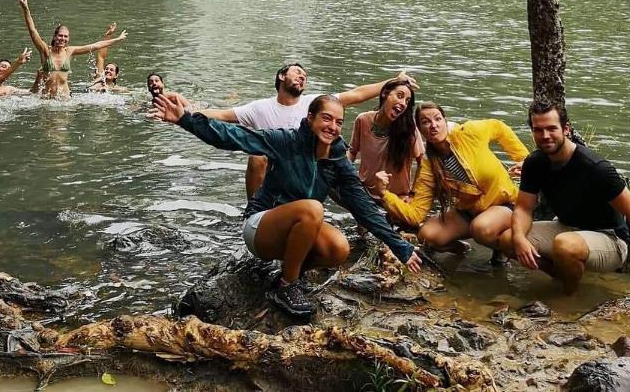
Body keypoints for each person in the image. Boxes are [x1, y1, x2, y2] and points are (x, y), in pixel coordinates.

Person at [150, 92, 422, 318]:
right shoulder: (286, 141)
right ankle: (288, 286)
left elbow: (362, 205)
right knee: (313, 208)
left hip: (299, 229)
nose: (332, 127)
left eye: (339, 122)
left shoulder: (337, 159)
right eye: (326, 118)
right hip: (260, 228)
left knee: (339, 248)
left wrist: (400, 246)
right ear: (310, 118)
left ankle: (284, 277)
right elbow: (235, 136)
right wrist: (186, 120)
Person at [499, 102, 630, 294]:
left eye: (552, 129)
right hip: (568, 227)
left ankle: (568, 298)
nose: (545, 136)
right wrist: (519, 239)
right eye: (538, 130)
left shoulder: (595, 167)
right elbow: (524, 208)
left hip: (610, 238)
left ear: (566, 129)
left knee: (565, 245)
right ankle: (562, 276)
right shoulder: (535, 163)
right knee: (509, 239)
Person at [188, 64, 420, 197]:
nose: (302, 77)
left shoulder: (315, 104)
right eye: (297, 72)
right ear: (281, 76)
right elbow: (223, 115)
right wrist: (184, 114)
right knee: (257, 156)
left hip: (307, 169)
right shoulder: (259, 108)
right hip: (274, 172)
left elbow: (357, 94)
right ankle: (254, 210)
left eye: (305, 76)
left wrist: (393, 81)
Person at [375, 102, 528, 257]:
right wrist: (384, 194)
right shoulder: (429, 166)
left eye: (437, 119)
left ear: (445, 121)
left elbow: (498, 127)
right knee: (427, 236)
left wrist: (524, 159)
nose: (433, 125)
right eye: (426, 122)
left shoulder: (468, 132)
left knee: (481, 228)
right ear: (420, 131)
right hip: (471, 210)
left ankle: (504, 252)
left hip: (505, 203)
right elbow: (416, 214)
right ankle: (464, 250)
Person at [19, 0, 127, 99]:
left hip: (65, 98)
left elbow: (95, 45)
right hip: (48, 97)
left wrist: (117, 39)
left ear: (68, 39)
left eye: (66, 36)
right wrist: (26, 9)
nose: (63, 38)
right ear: (55, 37)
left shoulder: (70, 51)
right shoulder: (45, 50)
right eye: (60, 35)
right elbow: (33, 31)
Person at [349, 77, 424, 204]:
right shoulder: (363, 120)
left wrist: (413, 195)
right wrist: (343, 175)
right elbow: (352, 151)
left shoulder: (409, 129)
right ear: (384, 94)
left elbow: (423, 163)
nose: (403, 103)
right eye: (399, 96)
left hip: (397, 198)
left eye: (407, 101)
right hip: (365, 194)